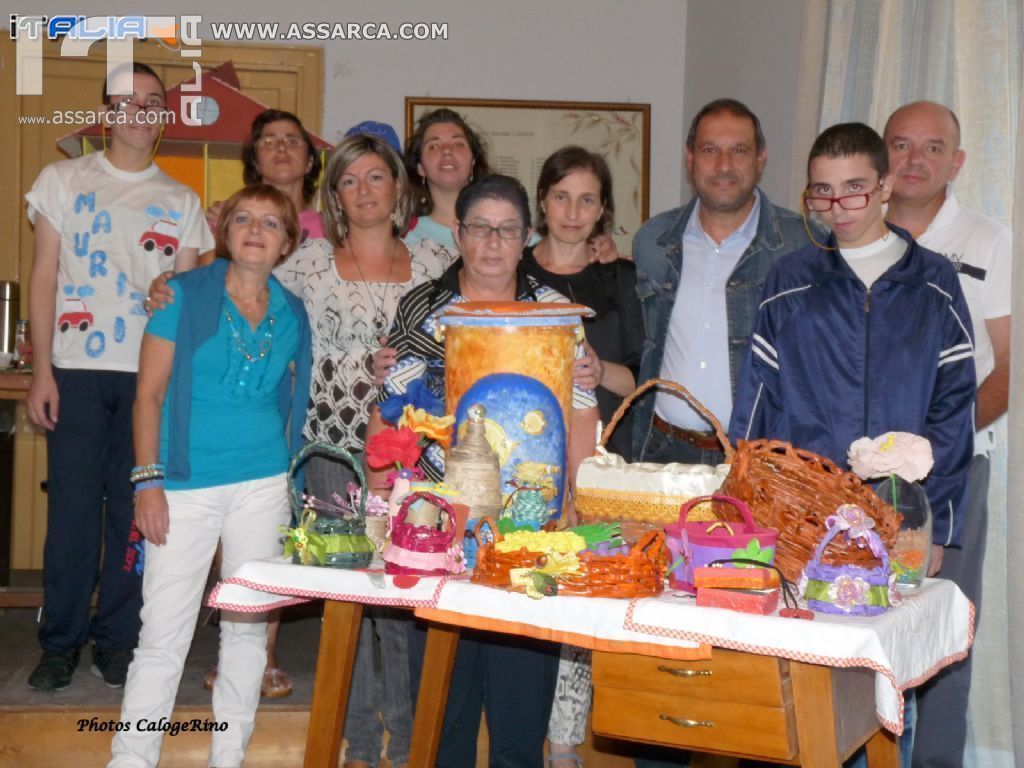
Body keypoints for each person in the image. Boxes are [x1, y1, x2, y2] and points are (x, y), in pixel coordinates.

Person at [367, 174, 601, 768]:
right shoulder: (424, 306)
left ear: (527, 237)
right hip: (437, 521)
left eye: (508, 230)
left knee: (520, 706)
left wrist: (582, 504)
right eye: (480, 228)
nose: (493, 243)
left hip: (531, 525)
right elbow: (392, 407)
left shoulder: (554, 311)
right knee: (443, 700)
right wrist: (378, 503)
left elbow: (579, 416)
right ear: (458, 233)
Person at [24, 62, 212, 692]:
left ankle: (118, 639)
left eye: (153, 101)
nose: (140, 111)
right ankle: (60, 642)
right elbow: (45, 277)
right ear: (107, 111)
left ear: (165, 114)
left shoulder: (182, 202)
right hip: (74, 374)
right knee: (72, 516)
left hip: (146, 384)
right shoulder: (62, 179)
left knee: (133, 516)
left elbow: (182, 300)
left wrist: (171, 292)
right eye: (127, 101)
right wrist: (41, 371)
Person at [109, 183, 311, 767]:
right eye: (243, 218)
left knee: (246, 633)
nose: (255, 229)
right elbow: (146, 397)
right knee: (164, 636)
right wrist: (147, 483)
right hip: (182, 487)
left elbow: (290, 398)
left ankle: (230, 758)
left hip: (264, 486)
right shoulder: (180, 295)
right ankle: (132, 759)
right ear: (224, 231)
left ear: (287, 242)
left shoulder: (293, 311)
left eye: (271, 223)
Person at [728, 121, 976, 578]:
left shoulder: (934, 283)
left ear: (885, 185)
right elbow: (757, 403)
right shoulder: (790, 281)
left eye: (855, 188)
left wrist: (934, 526)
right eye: (823, 191)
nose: (837, 207)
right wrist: (744, 507)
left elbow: (954, 411)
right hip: (802, 515)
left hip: (902, 514)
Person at [278, 133, 455, 768]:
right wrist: (174, 289)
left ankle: (408, 746)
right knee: (345, 597)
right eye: (348, 181)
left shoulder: (438, 259)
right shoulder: (306, 262)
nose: (363, 191)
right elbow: (244, 293)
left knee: (404, 601)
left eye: (375, 177)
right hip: (331, 449)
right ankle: (355, 743)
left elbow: (490, 298)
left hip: (414, 455)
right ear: (333, 196)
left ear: (398, 188)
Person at [883, 101, 1012, 768]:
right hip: (864, 472)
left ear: (956, 162)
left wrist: (942, 448)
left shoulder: (989, 240)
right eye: (901, 145)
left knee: (948, 631)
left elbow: (1008, 366)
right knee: (861, 621)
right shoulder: (854, 237)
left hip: (957, 471)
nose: (914, 160)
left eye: (932, 148)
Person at [520, 146, 642, 768]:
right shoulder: (510, 269)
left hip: (598, 462)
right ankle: (518, 729)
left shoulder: (619, 278)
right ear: (542, 200)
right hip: (522, 461)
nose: (573, 211)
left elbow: (640, 378)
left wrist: (601, 369)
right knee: (526, 592)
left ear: (602, 211)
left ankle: (565, 742)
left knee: (582, 596)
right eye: (562, 196)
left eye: (587, 199)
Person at [199, 107, 324, 699]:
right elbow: (199, 283)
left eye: (291, 141)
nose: (279, 149)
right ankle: (238, 655)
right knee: (236, 539)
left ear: (308, 157)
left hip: (305, 384)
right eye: (267, 140)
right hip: (242, 394)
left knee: (275, 537)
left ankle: (264, 657)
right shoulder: (231, 219)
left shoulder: (332, 225)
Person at [631, 98, 820, 467]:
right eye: (709, 150)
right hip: (660, 452)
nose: (723, 166)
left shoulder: (807, 245)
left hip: (759, 462)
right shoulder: (652, 241)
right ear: (690, 158)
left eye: (739, 150)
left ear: (760, 158)